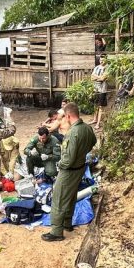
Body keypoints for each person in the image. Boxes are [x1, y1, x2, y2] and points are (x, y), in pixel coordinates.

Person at [42, 102, 97, 242]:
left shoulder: (72, 133)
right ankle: (67, 223)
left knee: (59, 198)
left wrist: (60, 164)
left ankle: (56, 231)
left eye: (63, 117)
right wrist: (81, 153)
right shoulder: (87, 128)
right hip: (80, 168)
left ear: (68, 116)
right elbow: (93, 142)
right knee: (71, 196)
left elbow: (68, 159)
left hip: (68, 170)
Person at [92, 56, 108, 128]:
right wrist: (99, 77)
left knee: (100, 106)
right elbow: (92, 77)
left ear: (106, 60)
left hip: (102, 90)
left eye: (103, 60)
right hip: (95, 89)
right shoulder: (97, 67)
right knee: (95, 104)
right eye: (100, 60)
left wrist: (97, 77)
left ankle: (98, 123)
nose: (101, 61)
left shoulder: (107, 68)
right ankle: (95, 119)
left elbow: (103, 78)